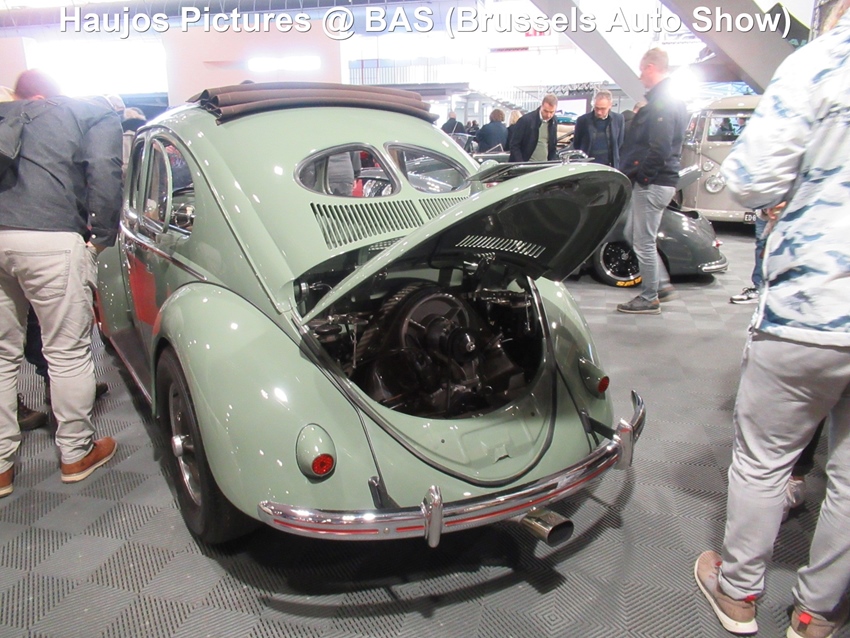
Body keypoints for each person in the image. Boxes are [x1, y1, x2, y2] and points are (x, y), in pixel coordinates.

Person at [694, 3, 850, 636]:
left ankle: (738, 594)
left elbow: (752, 178)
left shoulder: (821, 62)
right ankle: (816, 614)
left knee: (764, 460)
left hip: (813, 308)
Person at [0, 69, 123, 498]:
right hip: (51, 238)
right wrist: (101, 237)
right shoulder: (92, 112)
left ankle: (1, 468)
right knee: (66, 352)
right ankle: (76, 453)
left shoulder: (5, 115)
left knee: (1, 356)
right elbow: (105, 170)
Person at [616, 49, 688, 315]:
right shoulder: (668, 99)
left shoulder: (663, 101)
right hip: (658, 180)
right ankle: (661, 285)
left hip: (654, 182)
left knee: (643, 241)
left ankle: (650, 297)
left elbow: (660, 146)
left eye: (641, 70)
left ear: (650, 67)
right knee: (631, 233)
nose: (640, 77)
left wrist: (644, 176)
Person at [572, 89, 625, 167]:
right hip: (587, 165)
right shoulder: (583, 120)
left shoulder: (618, 119)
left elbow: (619, 143)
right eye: (596, 108)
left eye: (603, 109)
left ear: (610, 105)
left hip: (610, 165)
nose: (599, 112)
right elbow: (577, 143)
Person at [508, 94, 559, 162]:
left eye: (552, 112)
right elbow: (514, 145)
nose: (548, 115)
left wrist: (552, 162)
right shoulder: (525, 120)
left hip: (545, 165)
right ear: (541, 106)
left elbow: (553, 146)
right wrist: (521, 164)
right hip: (527, 165)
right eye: (545, 111)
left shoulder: (554, 121)